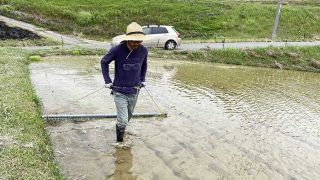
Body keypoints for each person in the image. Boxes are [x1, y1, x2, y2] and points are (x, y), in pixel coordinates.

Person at [101, 22, 148, 142]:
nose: (136, 44)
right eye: (134, 41)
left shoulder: (143, 50)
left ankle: (120, 129)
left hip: (135, 90)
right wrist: (107, 80)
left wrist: (142, 79)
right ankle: (120, 144)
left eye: (139, 41)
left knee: (127, 118)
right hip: (119, 91)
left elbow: (144, 64)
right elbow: (104, 62)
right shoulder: (117, 50)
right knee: (123, 120)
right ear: (128, 39)